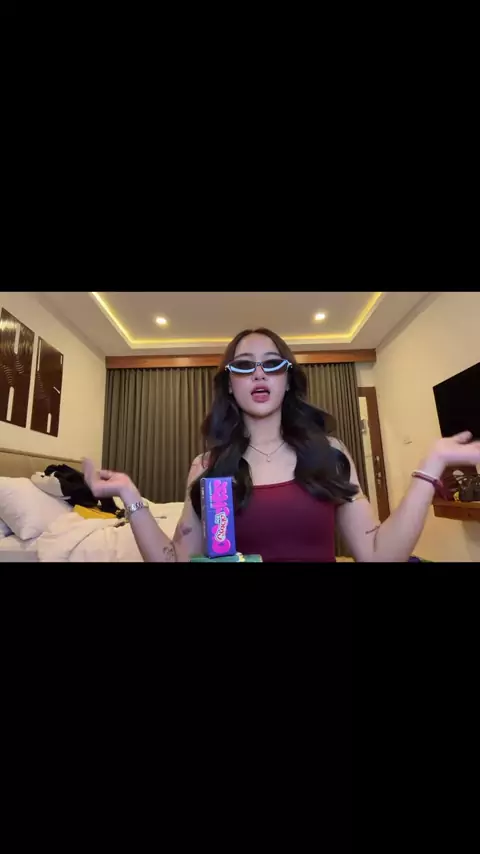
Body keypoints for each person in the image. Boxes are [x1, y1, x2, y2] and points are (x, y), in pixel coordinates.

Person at [83, 327, 480, 562]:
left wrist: (433, 462)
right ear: (229, 384)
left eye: (272, 364)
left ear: (288, 379)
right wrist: (128, 494)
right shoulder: (208, 465)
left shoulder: (329, 452)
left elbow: (379, 554)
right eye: (244, 366)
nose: (259, 374)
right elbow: (176, 560)